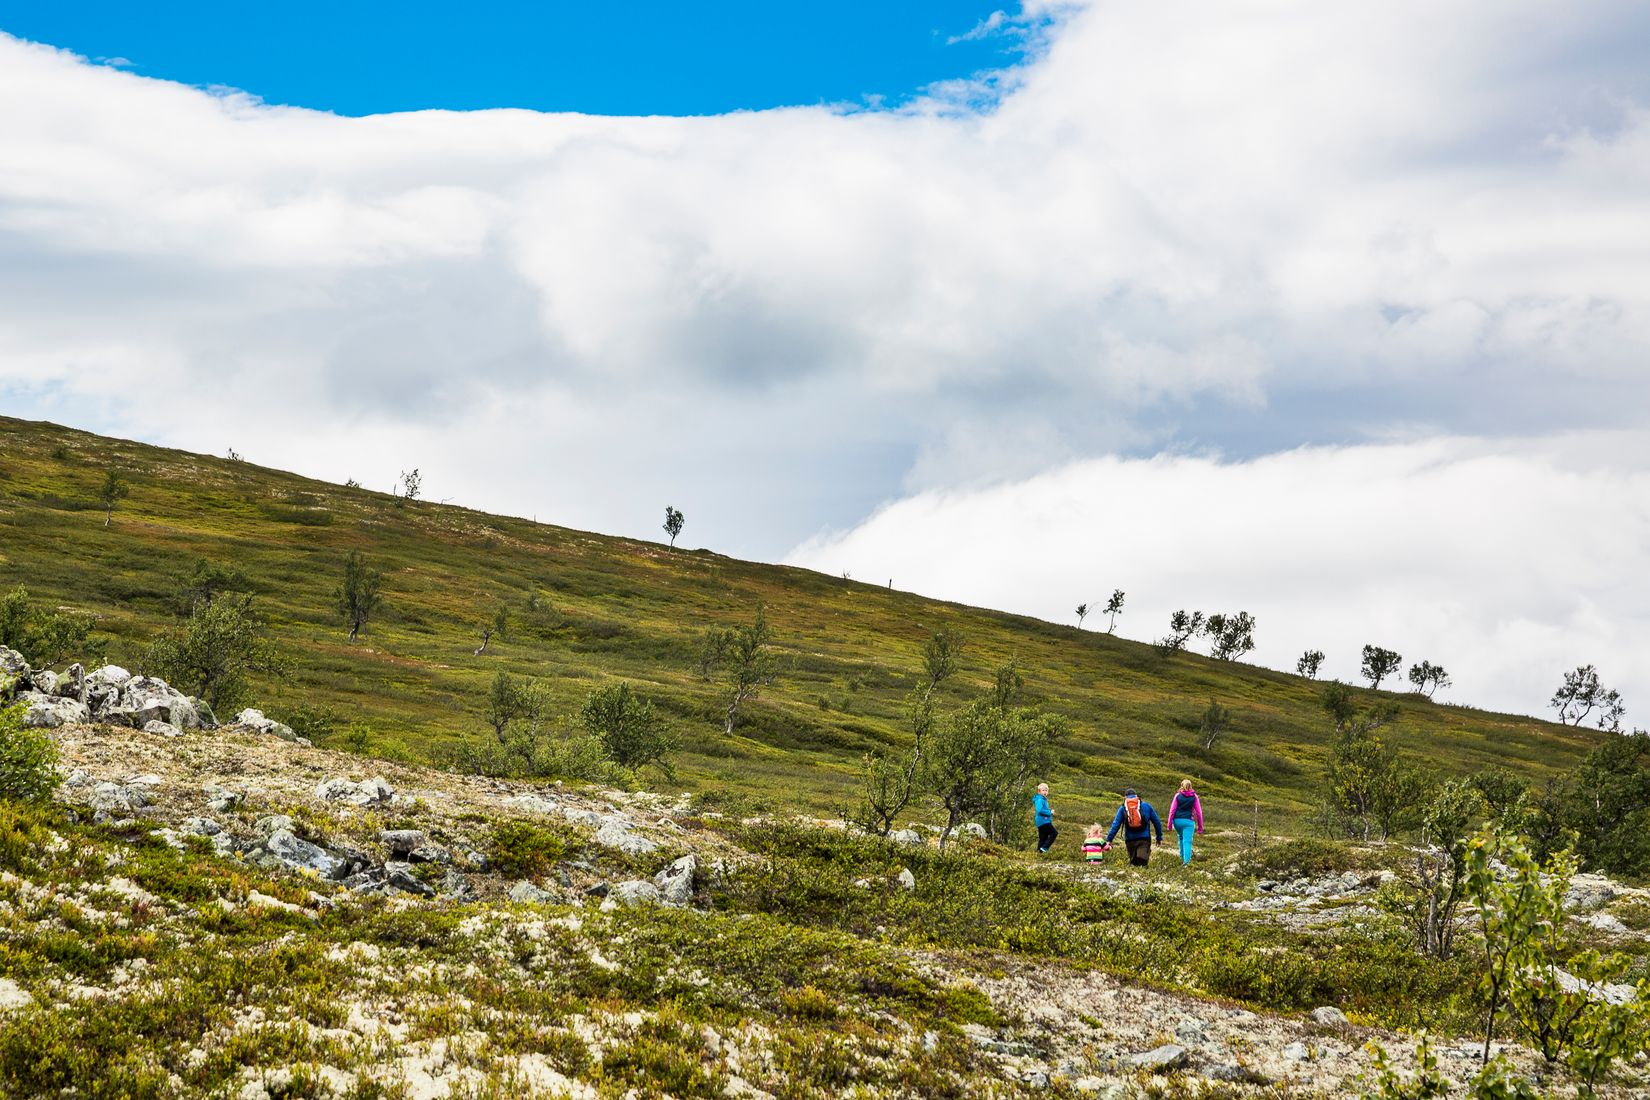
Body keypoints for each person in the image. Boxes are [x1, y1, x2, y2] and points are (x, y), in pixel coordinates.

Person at [1103, 787, 1162, 867]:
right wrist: (1159, 837)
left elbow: (1116, 825)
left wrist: (1109, 839)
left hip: (1130, 840)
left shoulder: (1123, 808)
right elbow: (1157, 822)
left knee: (1134, 864)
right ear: (1136, 796)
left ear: (1125, 797)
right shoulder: (1147, 806)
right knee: (1142, 863)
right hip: (1144, 839)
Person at [1166, 778, 1204, 866]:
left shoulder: (1177, 796)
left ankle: (1181, 858)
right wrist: (1200, 827)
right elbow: (1199, 813)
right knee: (1187, 842)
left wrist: (1169, 825)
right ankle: (1186, 863)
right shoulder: (1194, 797)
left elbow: (1172, 810)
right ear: (1191, 786)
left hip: (1177, 821)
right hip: (1188, 822)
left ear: (1181, 786)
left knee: (1181, 838)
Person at [1033, 782, 1057, 853]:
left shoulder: (1042, 799)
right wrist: (1050, 812)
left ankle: (1039, 852)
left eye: (1046, 790)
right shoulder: (1040, 800)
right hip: (1044, 821)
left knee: (1043, 838)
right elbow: (1039, 810)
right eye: (1043, 790)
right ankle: (1044, 848)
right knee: (1054, 833)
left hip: (1041, 822)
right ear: (1039, 791)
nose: (1045, 792)